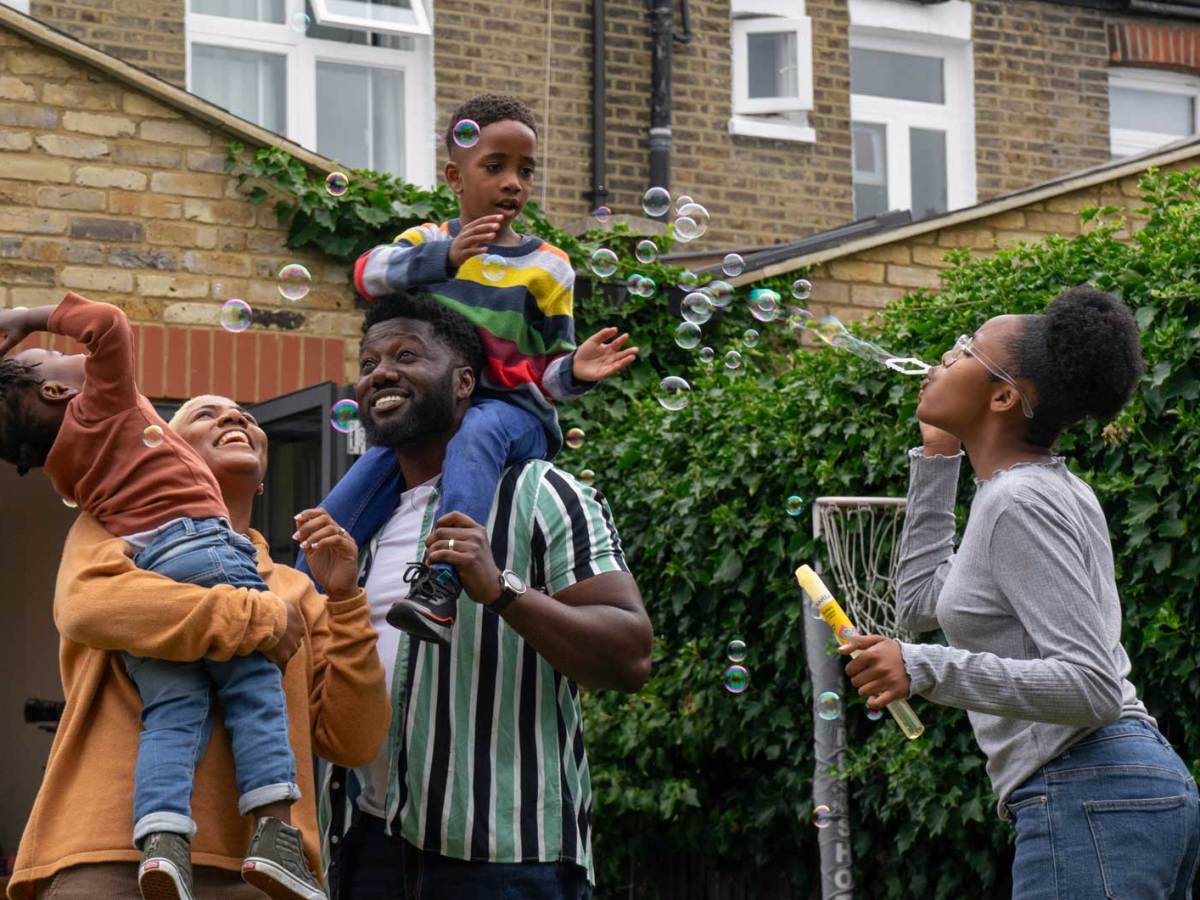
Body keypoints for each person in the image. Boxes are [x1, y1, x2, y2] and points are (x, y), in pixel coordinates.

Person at [839, 287, 1200, 897]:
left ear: (1003, 396)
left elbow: (1092, 687)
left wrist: (921, 667)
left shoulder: (1020, 502)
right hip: (1110, 791)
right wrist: (935, 460)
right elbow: (920, 606)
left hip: (1091, 786)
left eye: (965, 349)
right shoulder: (1016, 494)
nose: (944, 358)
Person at [301, 289, 653, 900]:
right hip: (365, 843)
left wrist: (501, 591)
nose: (381, 370)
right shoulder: (358, 527)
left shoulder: (541, 494)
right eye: (368, 361)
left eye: (407, 355)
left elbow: (630, 655)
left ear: (465, 381)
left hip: (504, 856)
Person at [0, 296, 330, 900]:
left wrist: (346, 596)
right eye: (204, 414)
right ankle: (276, 837)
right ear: (172, 445)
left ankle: (161, 845)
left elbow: (348, 735)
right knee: (253, 690)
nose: (233, 417)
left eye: (244, 417)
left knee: (173, 715)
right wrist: (28, 318)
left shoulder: (76, 475)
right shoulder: (109, 417)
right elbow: (108, 327)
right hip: (205, 549)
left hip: (160, 559)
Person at [353, 93, 638, 645]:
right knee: (357, 485)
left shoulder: (549, 265)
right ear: (455, 177)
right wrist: (448, 258)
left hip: (513, 413)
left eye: (525, 170)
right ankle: (302, 596)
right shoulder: (427, 244)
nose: (513, 182)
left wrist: (575, 370)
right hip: (437, 415)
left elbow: (548, 376)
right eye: (496, 166)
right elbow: (367, 274)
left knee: (479, 428)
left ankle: (440, 585)